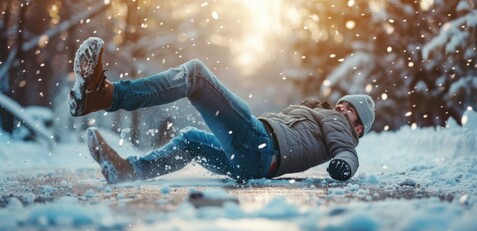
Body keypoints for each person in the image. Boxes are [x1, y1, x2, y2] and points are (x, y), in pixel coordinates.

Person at [69, 37, 375, 184]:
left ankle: (107, 96)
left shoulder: (339, 126)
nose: (342, 107)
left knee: (196, 76)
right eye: (343, 103)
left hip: (262, 146)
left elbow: (347, 152)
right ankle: (128, 171)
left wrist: (344, 166)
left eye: (351, 110)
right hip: (254, 162)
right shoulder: (325, 115)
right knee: (190, 139)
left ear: (358, 127)